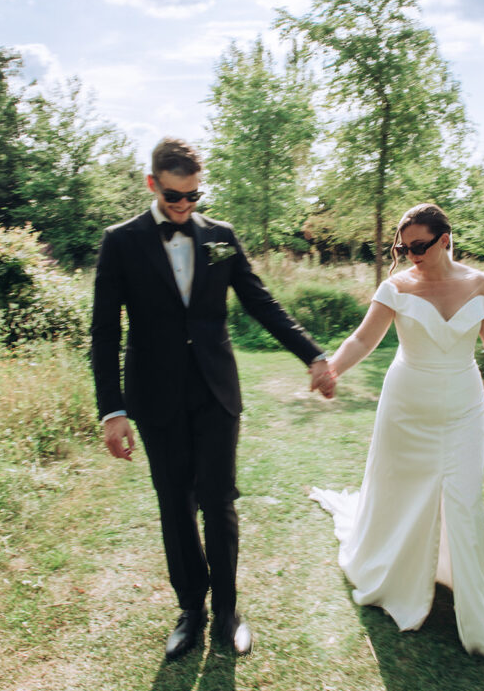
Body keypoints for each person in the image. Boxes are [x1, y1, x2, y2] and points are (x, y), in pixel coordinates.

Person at [91, 137, 334, 660]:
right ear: (153, 184)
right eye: (176, 196)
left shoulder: (220, 237)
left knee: (219, 502)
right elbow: (104, 333)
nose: (186, 206)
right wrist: (112, 411)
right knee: (175, 504)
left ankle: (228, 610)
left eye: (195, 196)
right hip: (154, 397)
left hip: (216, 392)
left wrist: (313, 356)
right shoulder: (121, 242)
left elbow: (260, 301)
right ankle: (190, 612)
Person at [311, 203, 484, 657]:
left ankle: (475, 616)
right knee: (399, 490)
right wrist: (332, 369)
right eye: (402, 247)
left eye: (419, 246)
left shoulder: (479, 285)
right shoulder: (396, 286)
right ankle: (393, 573)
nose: (410, 254)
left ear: (445, 239)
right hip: (406, 407)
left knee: (464, 500)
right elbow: (362, 339)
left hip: (463, 409)